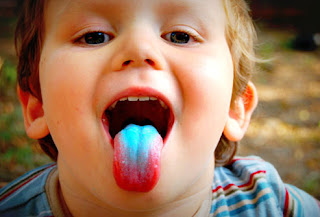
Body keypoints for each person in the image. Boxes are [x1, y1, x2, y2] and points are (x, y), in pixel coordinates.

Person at [0, 0, 319, 216]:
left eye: (181, 36)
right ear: (36, 105)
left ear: (234, 107)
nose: (139, 48)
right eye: (94, 36)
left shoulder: (275, 205)